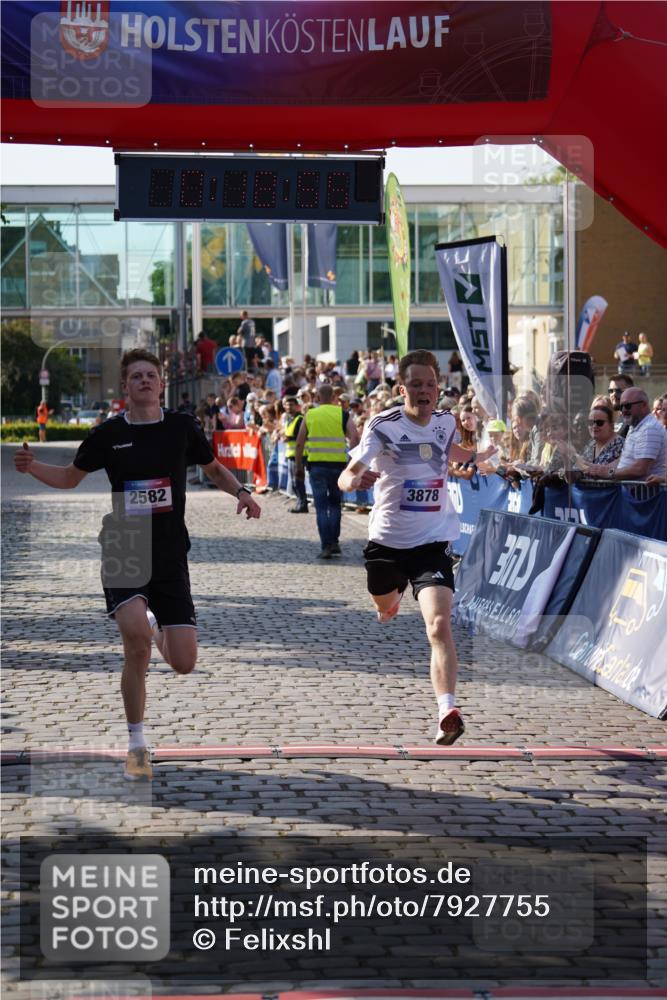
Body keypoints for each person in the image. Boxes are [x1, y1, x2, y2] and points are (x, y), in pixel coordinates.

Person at [15, 349, 261, 780]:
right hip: (125, 543)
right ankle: (136, 742)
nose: (145, 381)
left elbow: (215, 469)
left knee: (183, 661)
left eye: (151, 375)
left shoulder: (182, 427)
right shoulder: (107, 434)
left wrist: (241, 492)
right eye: (136, 376)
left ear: (161, 384)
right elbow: (71, 478)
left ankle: (153, 625)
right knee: (136, 645)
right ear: (125, 387)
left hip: (170, 551)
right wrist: (33, 466)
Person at [337, 349, 497, 746]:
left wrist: (480, 456)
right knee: (384, 605)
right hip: (388, 542)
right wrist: (351, 483)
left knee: (439, 625)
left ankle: (447, 709)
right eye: (415, 384)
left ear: (438, 385)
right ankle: (389, 604)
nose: (424, 391)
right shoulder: (383, 425)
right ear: (401, 387)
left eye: (430, 383)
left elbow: (451, 453)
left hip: (432, 541)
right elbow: (349, 472)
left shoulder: (445, 420)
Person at [294, 382, 359, 559]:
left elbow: (299, 442)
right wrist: (351, 461)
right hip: (338, 467)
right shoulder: (342, 414)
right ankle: (335, 541)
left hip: (317, 467)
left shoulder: (310, 415)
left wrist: (298, 466)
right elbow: (355, 436)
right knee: (335, 504)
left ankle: (326, 546)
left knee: (321, 507)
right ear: (333, 398)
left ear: (316, 398)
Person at [586, 388, 667, 482]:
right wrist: (600, 469)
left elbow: (639, 469)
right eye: (621, 406)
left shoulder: (649, 428)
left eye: (628, 406)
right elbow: (624, 460)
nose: (624, 410)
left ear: (644, 405)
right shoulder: (635, 426)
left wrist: (608, 472)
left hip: (646, 495)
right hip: (634, 494)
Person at [576, 401, 624, 472]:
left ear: (611, 424)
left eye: (599, 423)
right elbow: (577, 470)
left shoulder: (620, 445)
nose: (594, 426)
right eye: (590, 422)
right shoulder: (591, 444)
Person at [282, 395, 309, 513]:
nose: (288, 407)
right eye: (287, 405)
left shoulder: (299, 419)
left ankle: (302, 504)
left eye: (291, 405)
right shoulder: (290, 419)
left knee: (298, 480)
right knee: (294, 481)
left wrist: (289, 438)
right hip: (291, 453)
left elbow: (301, 436)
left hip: (299, 454)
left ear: (297, 406)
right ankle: (300, 502)